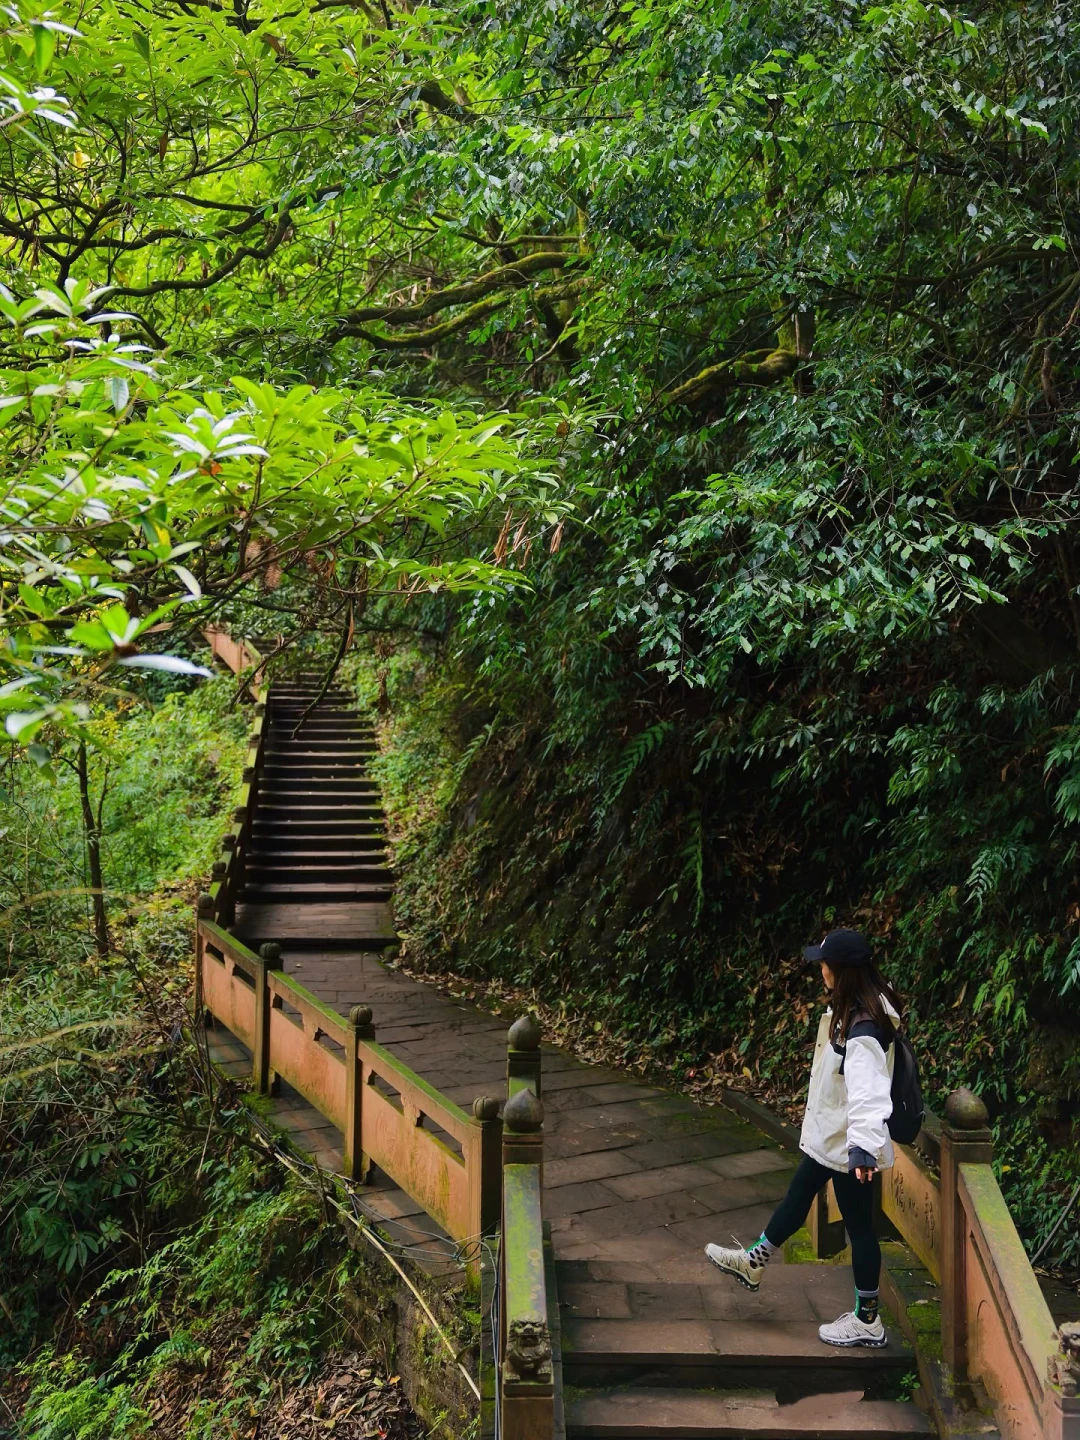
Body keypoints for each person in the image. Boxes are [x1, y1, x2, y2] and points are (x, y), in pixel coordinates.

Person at [704, 928, 901, 1348]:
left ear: (844, 972)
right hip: (839, 1138)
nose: (821, 970)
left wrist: (862, 1148)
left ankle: (867, 1320)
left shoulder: (864, 1027)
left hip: (848, 1144)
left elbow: (869, 1091)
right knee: (803, 1193)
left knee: (858, 1228)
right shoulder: (865, 1004)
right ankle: (755, 1260)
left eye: (826, 964)